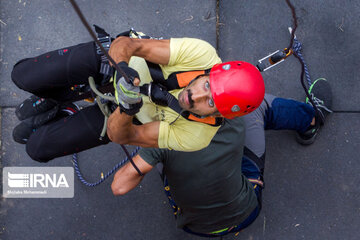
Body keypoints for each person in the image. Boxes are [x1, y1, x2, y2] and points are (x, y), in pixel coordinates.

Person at [111, 78, 332, 237]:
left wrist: (148, 152)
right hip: (245, 214)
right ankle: (311, 120)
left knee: (163, 163)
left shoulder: (164, 139)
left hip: (193, 227)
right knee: (258, 106)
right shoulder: (234, 117)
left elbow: (119, 186)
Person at [11, 32, 264, 164]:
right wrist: (123, 69)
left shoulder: (197, 136)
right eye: (206, 85)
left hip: (120, 116)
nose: (194, 96)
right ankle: (58, 96)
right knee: (21, 75)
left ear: (220, 115)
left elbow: (123, 136)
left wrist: (128, 108)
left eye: (210, 103)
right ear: (210, 72)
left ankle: (68, 111)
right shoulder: (201, 54)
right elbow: (127, 44)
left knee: (36, 148)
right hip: (111, 65)